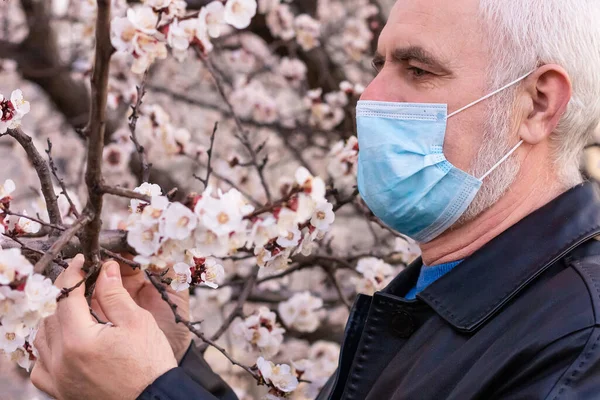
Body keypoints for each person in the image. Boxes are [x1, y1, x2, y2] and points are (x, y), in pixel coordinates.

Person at [30, 0, 600, 398]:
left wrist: (149, 396)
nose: (370, 97)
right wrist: (170, 364)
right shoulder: (432, 300)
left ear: (537, 105)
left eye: (418, 70)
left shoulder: (580, 344)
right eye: (378, 64)